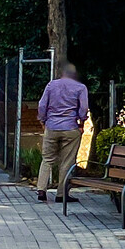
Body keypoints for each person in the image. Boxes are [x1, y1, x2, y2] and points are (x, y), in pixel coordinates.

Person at [36, 61, 91, 203]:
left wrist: (43, 120)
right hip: (70, 128)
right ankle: (61, 194)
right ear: (75, 75)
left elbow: (42, 105)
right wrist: (81, 122)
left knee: (47, 159)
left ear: (62, 73)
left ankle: (41, 189)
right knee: (67, 162)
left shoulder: (51, 85)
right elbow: (84, 108)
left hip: (52, 127)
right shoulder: (81, 87)